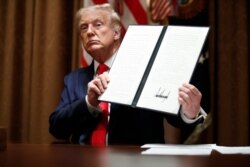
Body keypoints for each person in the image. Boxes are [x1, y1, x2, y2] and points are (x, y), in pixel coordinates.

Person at [49, 3, 207, 145]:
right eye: (84, 27)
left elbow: (175, 117)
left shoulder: (147, 71)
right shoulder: (74, 79)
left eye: (97, 25)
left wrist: (189, 112)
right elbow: (56, 128)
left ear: (116, 33)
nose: (90, 32)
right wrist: (89, 102)